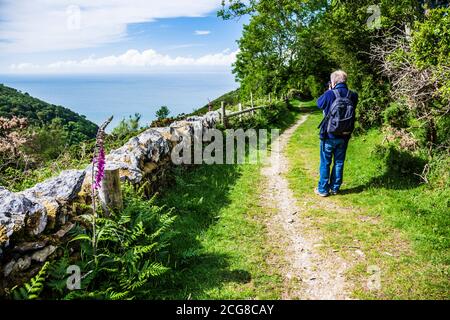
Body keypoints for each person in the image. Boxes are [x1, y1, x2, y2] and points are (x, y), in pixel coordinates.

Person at [314, 70, 358, 197]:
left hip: (329, 135)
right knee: (339, 162)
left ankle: (322, 189)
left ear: (333, 81)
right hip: (344, 135)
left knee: (325, 162)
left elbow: (319, 104)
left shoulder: (329, 94)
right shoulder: (353, 95)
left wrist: (329, 90)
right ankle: (334, 188)